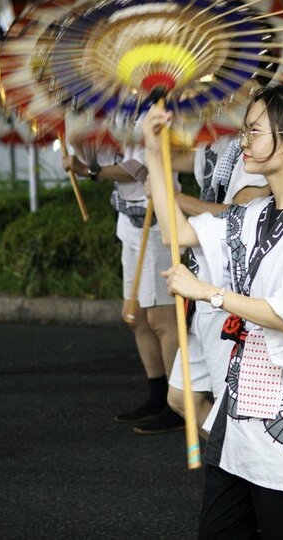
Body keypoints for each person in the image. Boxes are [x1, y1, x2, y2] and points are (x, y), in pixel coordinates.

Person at [144, 84, 283, 539]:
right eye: (245, 130)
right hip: (241, 413)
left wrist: (209, 292)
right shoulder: (257, 213)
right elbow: (174, 232)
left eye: (255, 131)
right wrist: (152, 153)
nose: (244, 141)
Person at [63, 115, 184, 435]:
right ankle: (157, 396)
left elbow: (139, 167)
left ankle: (179, 405)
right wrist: (70, 127)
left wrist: (91, 171)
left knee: (163, 320)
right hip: (128, 221)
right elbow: (93, 156)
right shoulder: (112, 113)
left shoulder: (152, 112)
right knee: (137, 318)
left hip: (157, 222)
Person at [159, 134, 270, 434]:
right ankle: (232, 466)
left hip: (231, 292)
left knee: (232, 409)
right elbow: (173, 157)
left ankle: (238, 471)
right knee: (181, 399)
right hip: (203, 285)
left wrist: (177, 199)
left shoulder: (259, 151)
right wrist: (152, 146)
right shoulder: (224, 143)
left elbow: (238, 216)